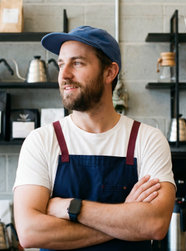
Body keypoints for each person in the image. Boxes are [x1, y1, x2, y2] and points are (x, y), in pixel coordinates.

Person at [13, 25, 176, 251]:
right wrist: (125, 220)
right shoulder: (42, 140)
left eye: (77, 63)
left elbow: (154, 224)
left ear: (110, 72)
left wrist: (72, 207)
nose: (64, 75)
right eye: (61, 64)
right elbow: (29, 233)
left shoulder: (147, 139)